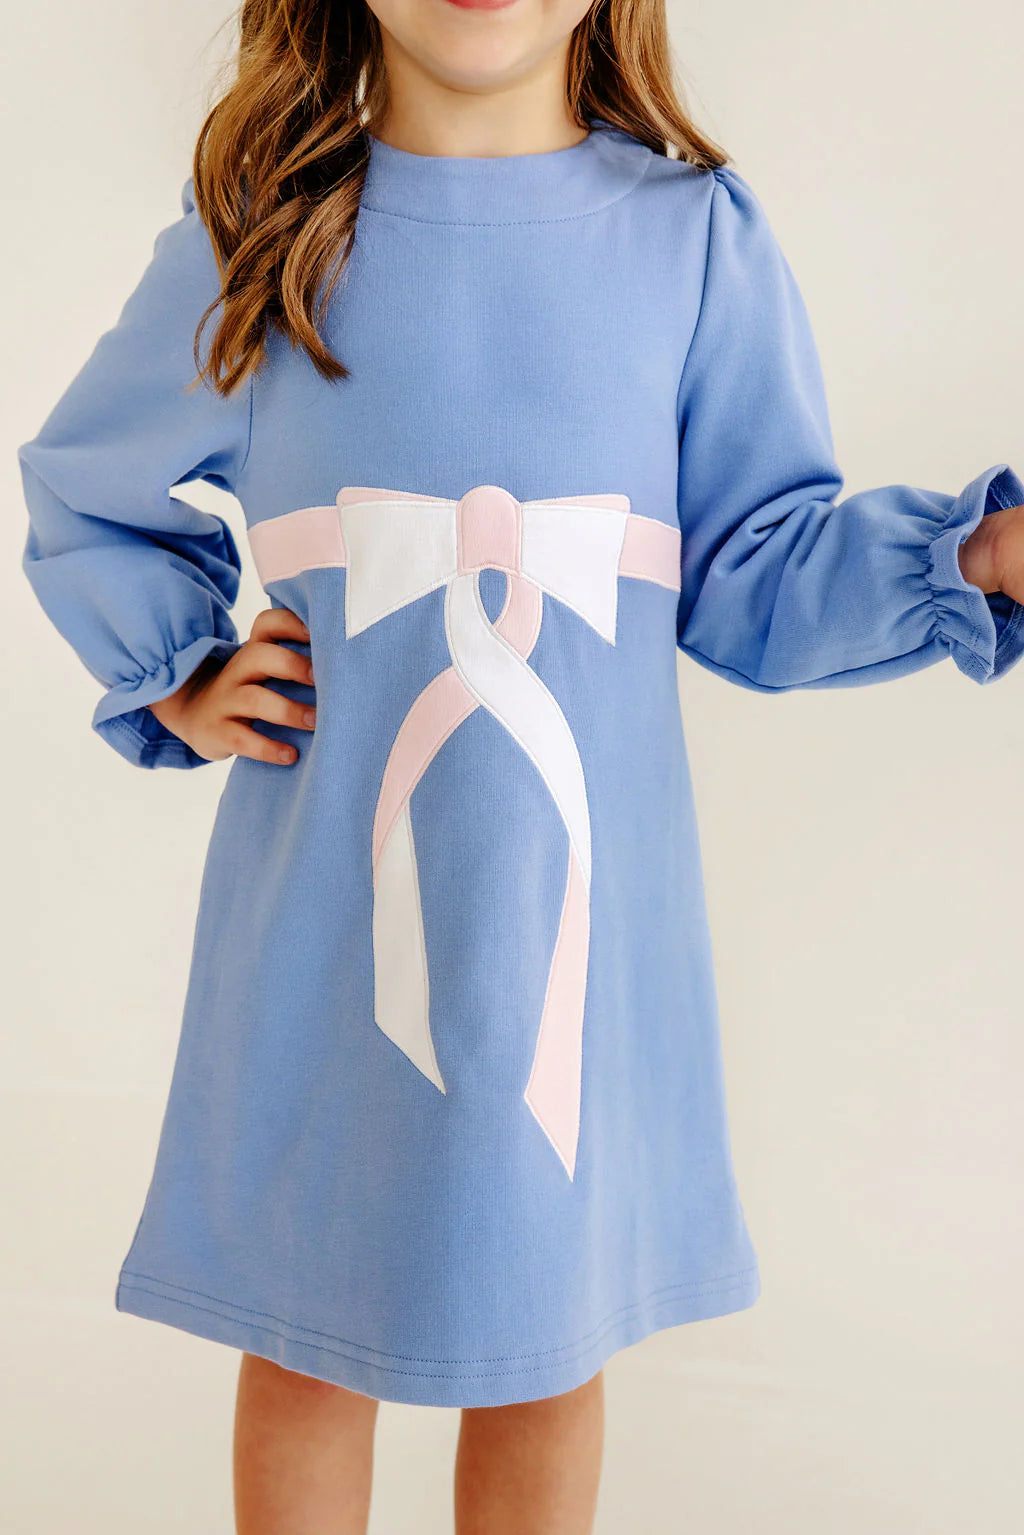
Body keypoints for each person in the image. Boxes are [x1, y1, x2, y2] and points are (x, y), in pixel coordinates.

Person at [17, 2, 1024, 1532]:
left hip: (579, 928)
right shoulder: (261, 236)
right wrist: (183, 670)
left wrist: (969, 556)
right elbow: (88, 486)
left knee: (548, 1344)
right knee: (308, 1329)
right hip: (327, 925)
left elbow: (756, 573)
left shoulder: (691, 241)